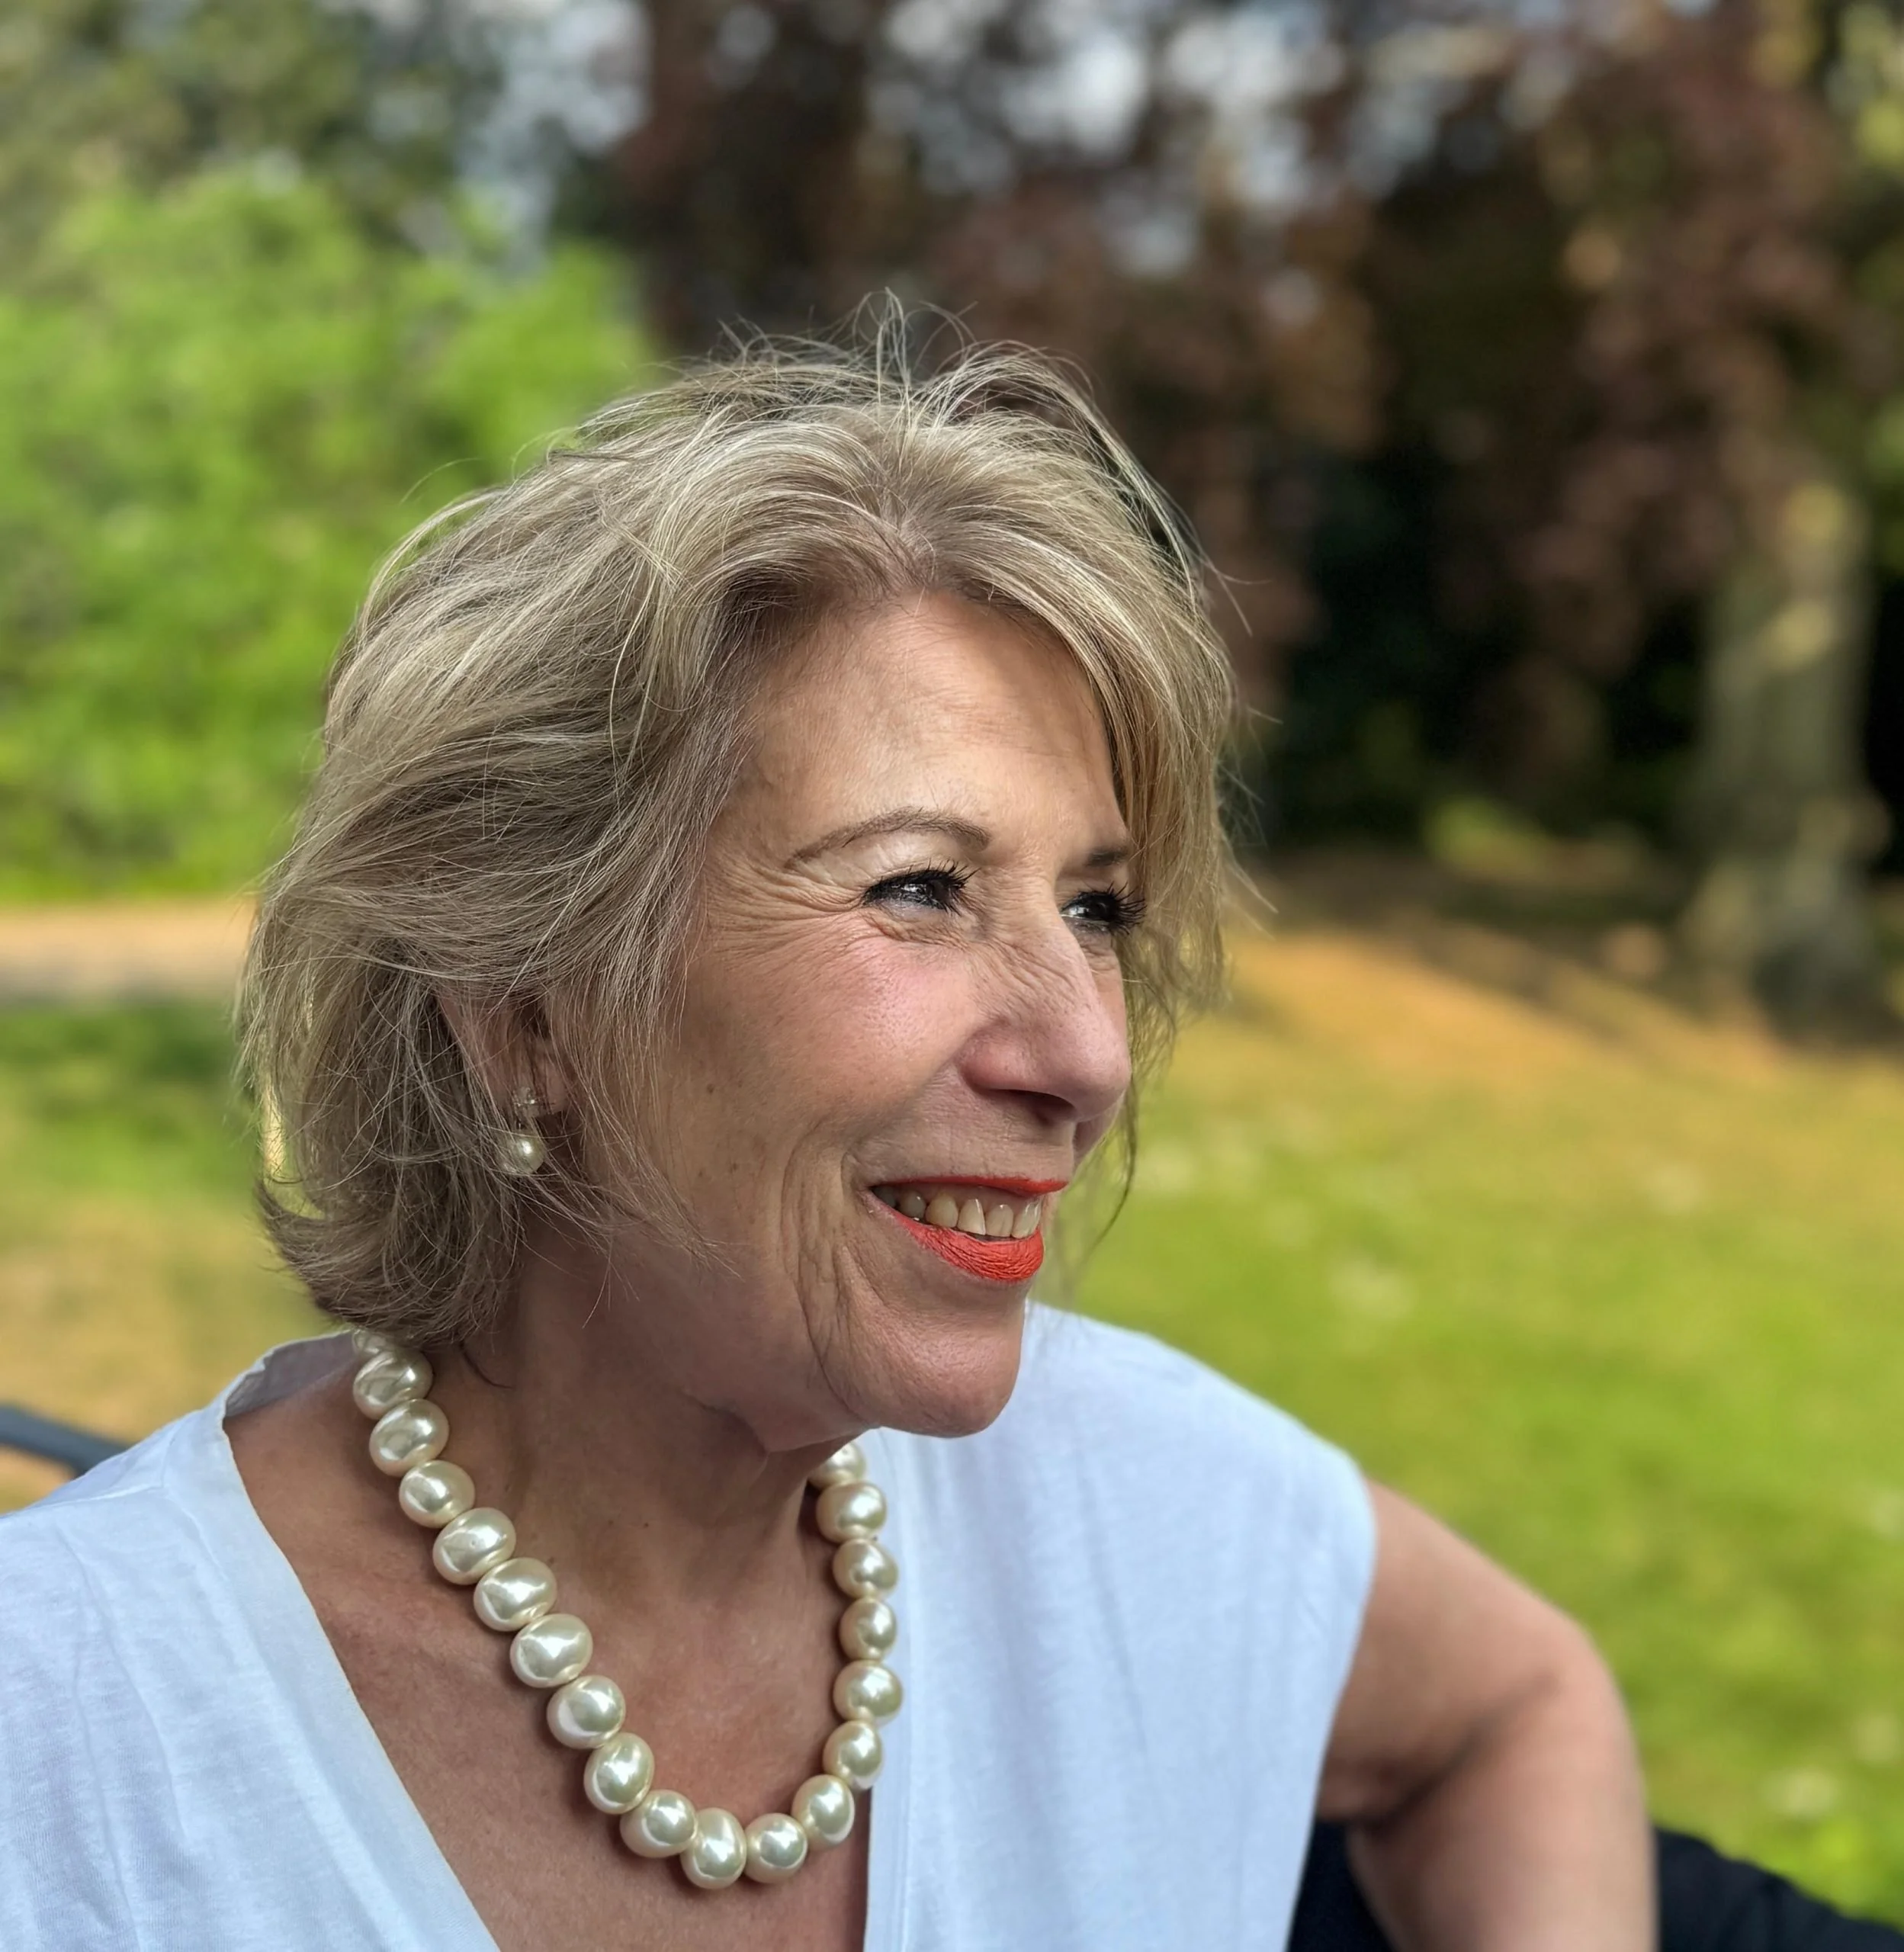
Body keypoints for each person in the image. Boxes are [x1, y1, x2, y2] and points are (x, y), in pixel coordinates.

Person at [0, 325, 1652, 1949]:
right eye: (920, 887)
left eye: (1097, 906)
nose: (1088, 1048)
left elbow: (1515, 1704)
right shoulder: (75, 1731)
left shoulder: (1124, 1497)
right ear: (521, 1011)